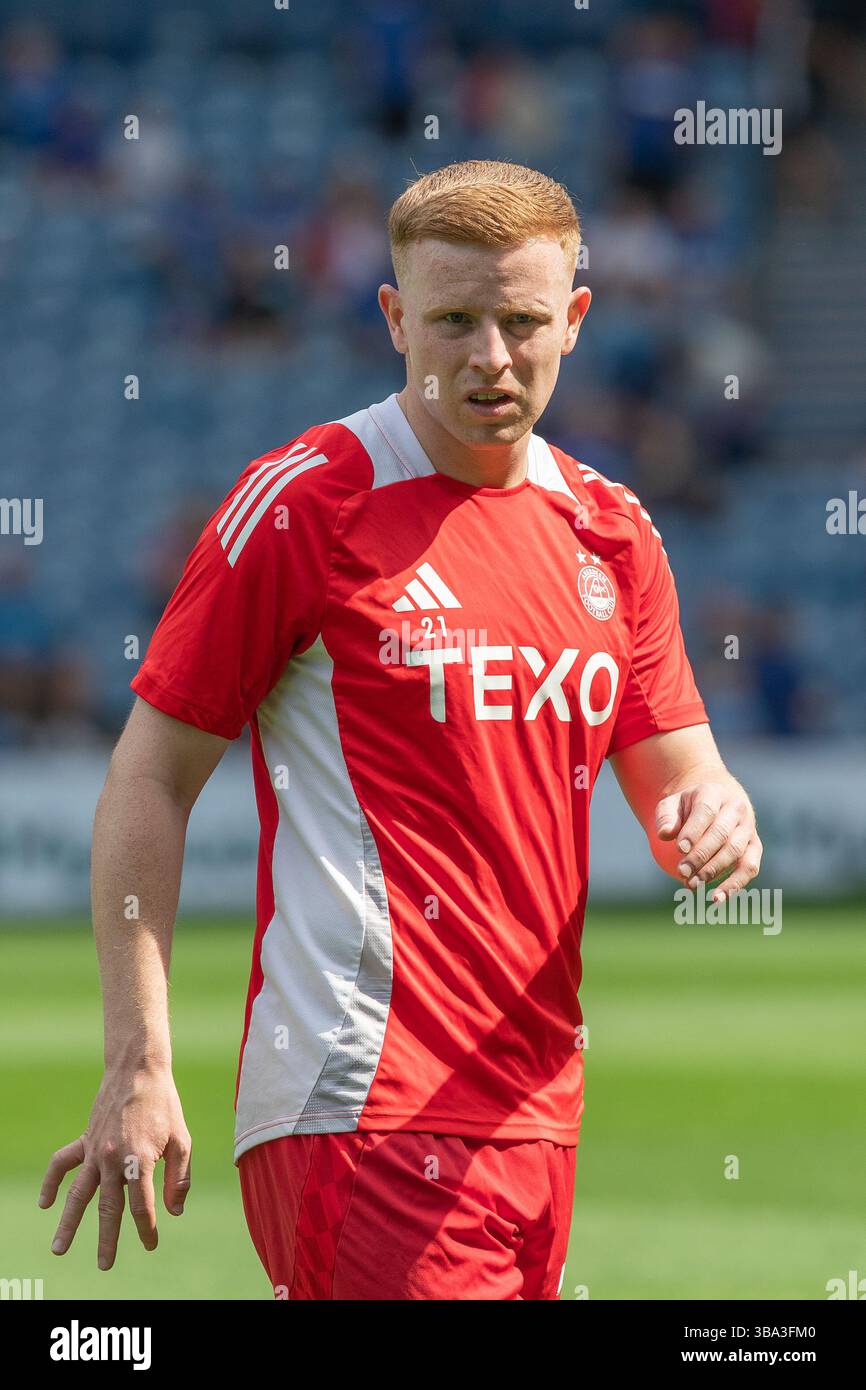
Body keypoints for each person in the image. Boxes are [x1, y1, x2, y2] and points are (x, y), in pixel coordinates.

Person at [39, 159, 762, 1300]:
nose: (488, 357)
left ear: (573, 319)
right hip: (357, 1096)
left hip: (534, 1112)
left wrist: (717, 814)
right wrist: (139, 1057)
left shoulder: (611, 532)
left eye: (521, 322)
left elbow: (682, 795)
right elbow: (148, 780)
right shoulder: (305, 502)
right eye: (452, 321)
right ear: (392, 319)